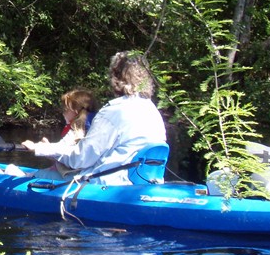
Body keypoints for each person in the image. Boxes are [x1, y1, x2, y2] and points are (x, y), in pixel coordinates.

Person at [22, 51, 167, 184]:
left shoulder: (114, 111)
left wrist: (42, 149)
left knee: (29, 176)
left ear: (115, 77)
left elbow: (80, 159)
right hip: (145, 183)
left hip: (106, 185)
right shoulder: (152, 110)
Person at [22, 89, 99, 178]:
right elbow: (64, 152)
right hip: (85, 174)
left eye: (65, 109)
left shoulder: (77, 130)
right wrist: (48, 148)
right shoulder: (96, 125)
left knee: (15, 170)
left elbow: (64, 148)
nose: (63, 112)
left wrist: (37, 147)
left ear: (76, 111)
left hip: (72, 177)